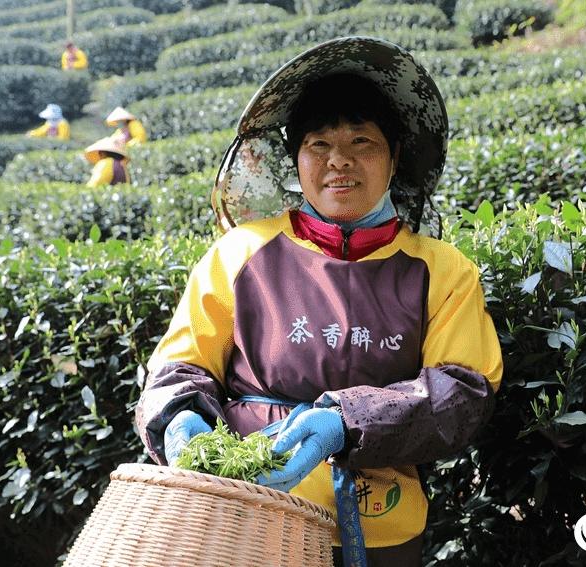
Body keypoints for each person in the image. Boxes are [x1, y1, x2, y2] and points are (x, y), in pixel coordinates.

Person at [135, 37, 503, 567]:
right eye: (319, 144)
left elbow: (462, 391)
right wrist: (179, 419)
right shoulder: (239, 253)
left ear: (394, 156)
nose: (339, 161)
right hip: (249, 515)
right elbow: (180, 367)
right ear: (296, 158)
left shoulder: (443, 270)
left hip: (381, 527)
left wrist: (344, 422)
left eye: (362, 141)